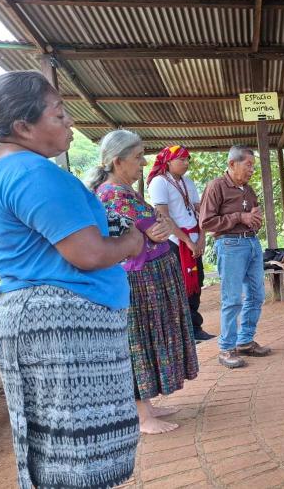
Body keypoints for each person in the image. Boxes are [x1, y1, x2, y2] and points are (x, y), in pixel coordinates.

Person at [0, 71, 143, 488]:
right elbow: (89, 253)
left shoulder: (3, 170)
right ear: (23, 127)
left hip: (41, 322)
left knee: (55, 452)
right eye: (59, 116)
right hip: (63, 329)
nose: (69, 125)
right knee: (78, 460)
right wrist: (131, 242)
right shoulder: (31, 173)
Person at [87, 130, 199, 435]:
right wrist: (157, 227)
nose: (144, 162)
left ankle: (147, 406)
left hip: (149, 277)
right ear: (117, 160)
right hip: (140, 281)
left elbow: (161, 226)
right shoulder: (114, 195)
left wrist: (159, 227)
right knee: (140, 342)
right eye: (137, 157)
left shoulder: (126, 191)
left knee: (149, 340)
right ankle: (140, 416)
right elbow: (154, 229)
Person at [200, 145, 271, 369]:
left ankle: (245, 341)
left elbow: (253, 217)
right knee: (232, 299)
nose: (252, 170)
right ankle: (226, 348)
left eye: (253, 165)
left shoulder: (248, 190)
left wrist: (255, 220)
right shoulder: (216, 186)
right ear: (232, 164)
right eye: (248, 165)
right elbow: (207, 222)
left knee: (257, 295)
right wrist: (239, 217)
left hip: (251, 243)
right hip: (229, 244)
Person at [147, 145, 214, 342]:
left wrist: (201, 238)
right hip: (174, 242)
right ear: (168, 162)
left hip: (194, 239)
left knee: (196, 283)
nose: (186, 163)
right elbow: (164, 216)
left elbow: (200, 211)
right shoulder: (159, 182)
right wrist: (187, 241)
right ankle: (181, 332)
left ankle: (195, 328)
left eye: (187, 160)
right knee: (178, 285)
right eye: (181, 160)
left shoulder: (188, 182)